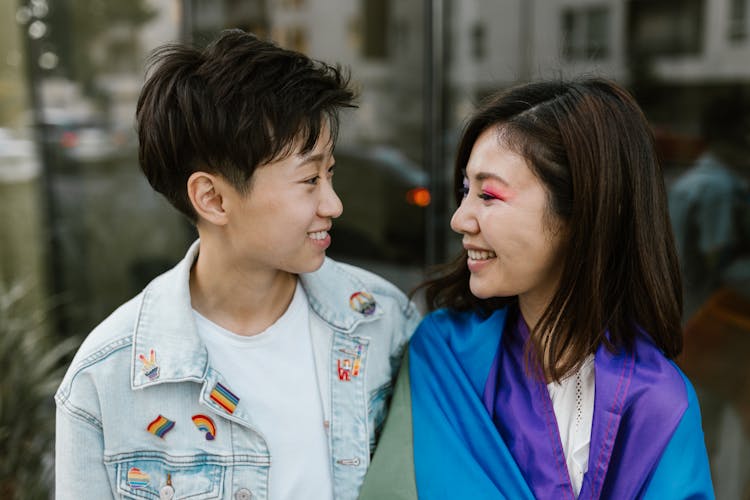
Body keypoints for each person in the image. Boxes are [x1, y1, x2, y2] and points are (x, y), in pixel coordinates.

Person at [54, 30, 420, 500]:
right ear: (212, 198)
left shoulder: (382, 322)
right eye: (309, 179)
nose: (333, 203)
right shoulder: (105, 380)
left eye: (330, 172)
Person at [359, 78, 714, 499]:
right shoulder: (444, 355)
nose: (459, 218)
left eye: (488, 195)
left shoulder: (661, 404)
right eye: (465, 191)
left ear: (582, 212)